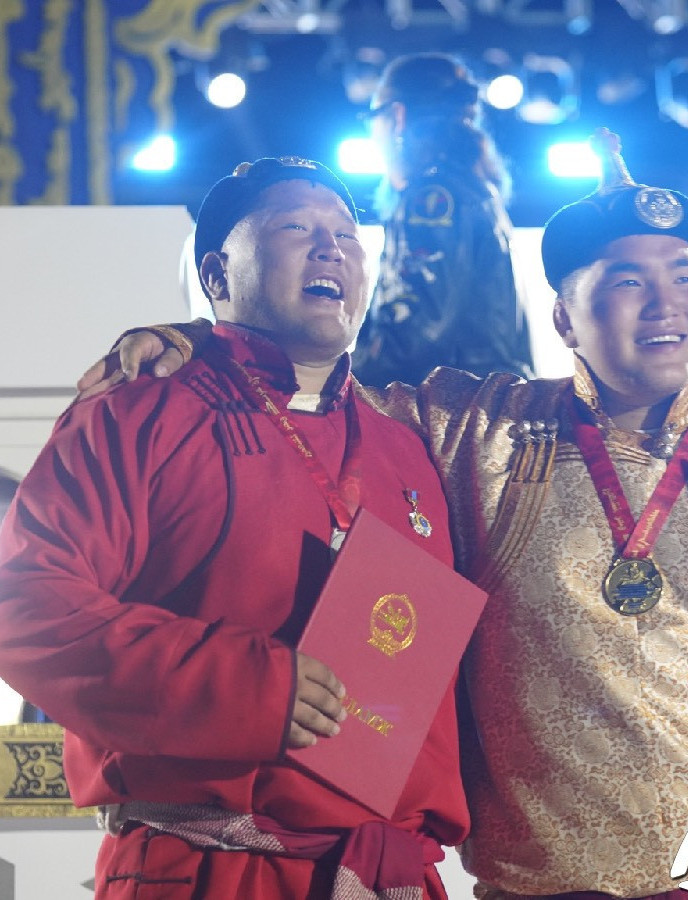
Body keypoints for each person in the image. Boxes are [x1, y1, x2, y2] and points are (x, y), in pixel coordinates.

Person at [74, 131, 688, 899]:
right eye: (627, 282)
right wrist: (200, 340)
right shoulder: (478, 431)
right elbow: (309, 396)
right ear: (564, 317)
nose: (665, 304)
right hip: (556, 880)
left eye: (685, 275)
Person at [0, 157, 469, 899]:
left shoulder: (408, 443)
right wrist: (244, 687)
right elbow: (25, 609)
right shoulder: (139, 411)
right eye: (297, 229)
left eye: (348, 236)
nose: (332, 249)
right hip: (205, 868)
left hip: (389, 876)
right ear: (217, 273)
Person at [350, 51, 534, 387]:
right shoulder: (465, 187)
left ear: (397, 115)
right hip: (477, 399)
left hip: (446, 406)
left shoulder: (432, 198)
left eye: (372, 115)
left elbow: (417, 333)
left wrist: (346, 378)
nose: (371, 130)